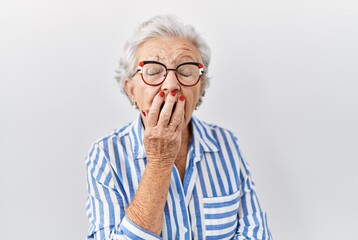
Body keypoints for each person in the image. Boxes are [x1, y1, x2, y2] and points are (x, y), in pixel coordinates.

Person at [85, 15, 272, 240]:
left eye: (185, 72)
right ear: (131, 90)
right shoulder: (105, 156)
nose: (172, 84)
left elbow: (256, 233)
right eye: (153, 71)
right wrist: (159, 161)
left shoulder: (227, 143)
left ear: (201, 87)